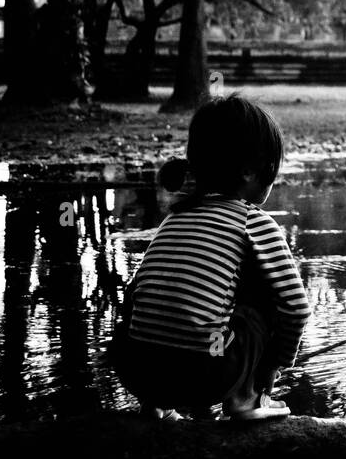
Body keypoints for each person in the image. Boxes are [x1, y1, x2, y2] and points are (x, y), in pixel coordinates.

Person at [112, 94, 310, 422]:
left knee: (150, 293)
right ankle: (248, 398)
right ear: (250, 171)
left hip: (135, 372)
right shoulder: (253, 221)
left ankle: (156, 404)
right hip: (204, 375)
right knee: (263, 301)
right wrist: (274, 366)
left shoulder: (175, 217)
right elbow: (296, 309)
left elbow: (136, 296)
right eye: (272, 170)